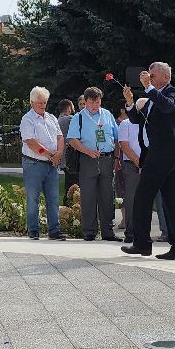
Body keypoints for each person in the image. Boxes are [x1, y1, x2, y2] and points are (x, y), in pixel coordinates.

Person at [122, 63, 175, 261]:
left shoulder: (172, 94)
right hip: (160, 156)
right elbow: (137, 120)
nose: (148, 77)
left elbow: (167, 106)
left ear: (165, 77)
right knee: (171, 203)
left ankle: (142, 244)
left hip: (164, 156)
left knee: (143, 198)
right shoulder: (154, 97)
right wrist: (130, 102)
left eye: (152, 75)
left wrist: (148, 88)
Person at [68, 87, 118, 242]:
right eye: (92, 102)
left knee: (107, 195)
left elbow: (116, 137)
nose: (95, 105)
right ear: (86, 101)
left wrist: (116, 158)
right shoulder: (79, 117)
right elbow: (72, 139)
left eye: (98, 101)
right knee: (88, 195)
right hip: (88, 159)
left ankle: (108, 231)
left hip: (106, 158)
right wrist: (87, 151)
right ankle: (89, 231)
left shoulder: (107, 115)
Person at [19, 88, 64, 240]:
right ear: (32, 103)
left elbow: (60, 137)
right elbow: (30, 142)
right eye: (39, 102)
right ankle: (33, 230)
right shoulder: (27, 119)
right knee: (33, 198)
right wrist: (51, 155)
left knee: (53, 198)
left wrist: (58, 154)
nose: (43, 105)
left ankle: (54, 230)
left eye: (45, 102)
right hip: (34, 163)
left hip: (51, 164)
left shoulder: (51, 118)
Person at [115, 104, 142, 242]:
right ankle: (130, 232)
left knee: (146, 200)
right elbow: (124, 146)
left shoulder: (150, 122)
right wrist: (139, 162)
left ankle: (143, 232)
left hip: (149, 166)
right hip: (131, 165)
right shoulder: (125, 124)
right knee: (130, 199)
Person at [55, 97, 78, 205]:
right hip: (71, 158)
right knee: (73, 185)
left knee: (68, 183)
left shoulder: (57, 120)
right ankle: (69, 207)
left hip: (63, 158)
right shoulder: (70, 119)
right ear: (69, 107)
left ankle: (67, 207)